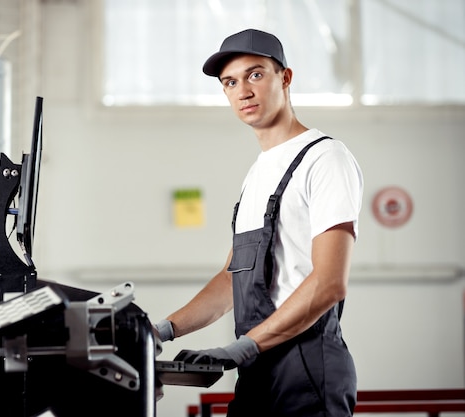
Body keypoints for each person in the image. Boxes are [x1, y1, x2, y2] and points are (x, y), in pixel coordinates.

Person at [154, 29, 363, 416]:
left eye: (255, 75)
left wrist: (242, 346)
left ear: (285, 78)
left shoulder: (325, 158)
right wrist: (162, 330)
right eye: (230, 82)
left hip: (308, 369)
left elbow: (330, 282)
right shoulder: (257, 174)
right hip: (257, 370)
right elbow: (232, 277)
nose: (243, 91)